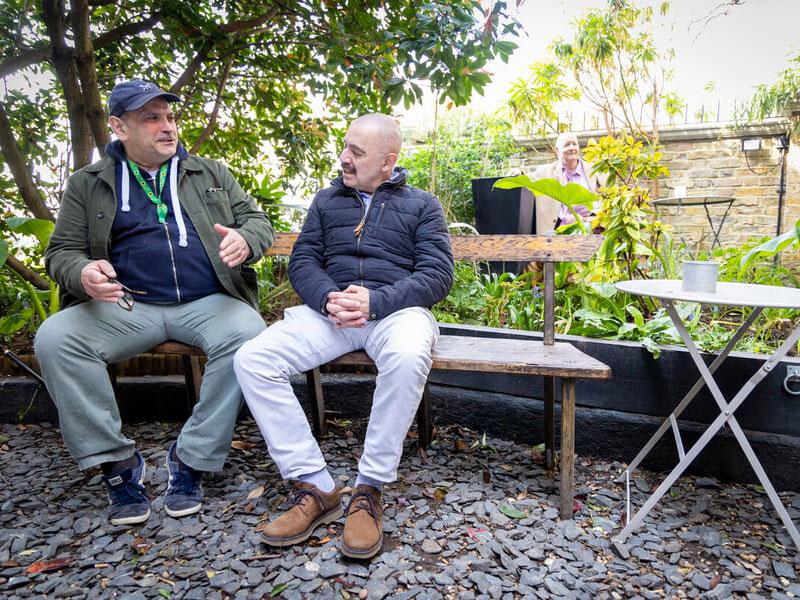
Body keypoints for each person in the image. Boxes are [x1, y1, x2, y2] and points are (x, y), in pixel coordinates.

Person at [34, 80, 274, 525]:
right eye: (153, 119)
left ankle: (191, 457)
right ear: (119, 127)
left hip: (208, 300)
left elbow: (258, 221)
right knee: (56, 338)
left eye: (171, 118)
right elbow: (61, 251)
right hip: (126, 306)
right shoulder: (87, 183)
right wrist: (82, 273)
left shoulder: (210, 173)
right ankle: (117, 463)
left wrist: (246, 239)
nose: (168, 128)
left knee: (248, 335)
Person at [233, 114, 453, 559]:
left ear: (388, 162)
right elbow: (303, 263)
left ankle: (369, 489)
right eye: (345, 147)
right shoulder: (326, 201)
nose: (344, 158)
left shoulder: (422, 205)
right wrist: (329, 298)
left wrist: (374, 302)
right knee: (253, 359)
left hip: (395, 313)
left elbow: (437, 275)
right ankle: (314, 485)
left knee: (411, 354)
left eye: (356, 152)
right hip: (330, 314)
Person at [532, 132, 607, 234]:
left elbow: (608, 199)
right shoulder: (544, 172)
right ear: (557, 150)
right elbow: (527, 180)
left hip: (592, 232)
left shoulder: (595, 170)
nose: (572, 148)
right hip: (556, 233)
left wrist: (590, 219)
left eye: (574, 144)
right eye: (567, 145)